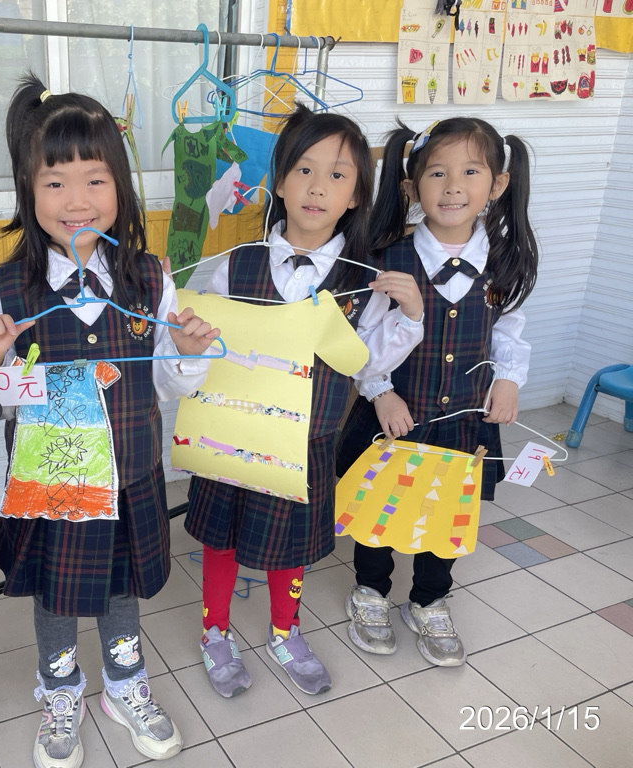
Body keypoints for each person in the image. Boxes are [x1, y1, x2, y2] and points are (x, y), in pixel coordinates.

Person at [0, 73, 218, 768]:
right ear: (29, 190)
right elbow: (4, 398)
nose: (76, 200)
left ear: (121, 188)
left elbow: (166, 381)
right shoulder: (9, 289)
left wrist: (190, 355)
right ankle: (61, 691)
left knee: (121, 587)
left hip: (130, 474)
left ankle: (124, 685)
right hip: (52, 483)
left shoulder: (151, 278)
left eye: (95, 180)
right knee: (55, 594)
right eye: (55, 182)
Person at [185, 103, 425, 699]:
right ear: (280, 181)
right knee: (221, 538)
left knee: (289, 546)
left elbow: (367, 364)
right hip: (232, 434)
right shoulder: (235, 265)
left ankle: (284, 630)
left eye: (337, 175)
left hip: (306, 442)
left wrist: (411, 318)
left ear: (355, 195)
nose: (318, 187)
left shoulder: (363, 281)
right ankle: (215, 631)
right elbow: (203, 346)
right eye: (304, 170)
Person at [337, 117, 537, 667]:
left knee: (446, 515)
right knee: (379, 512)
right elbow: (362, 342)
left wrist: (509, 379)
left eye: (470, 172)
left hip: (465, 424)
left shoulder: (503, 260)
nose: (453, 187)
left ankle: (429, 599)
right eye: (437, 173)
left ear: (497, 184)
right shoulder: (389, 257)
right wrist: (380, 391)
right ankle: (370, 591)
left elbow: (508, 331)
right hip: (395, 418)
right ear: (411, 186)